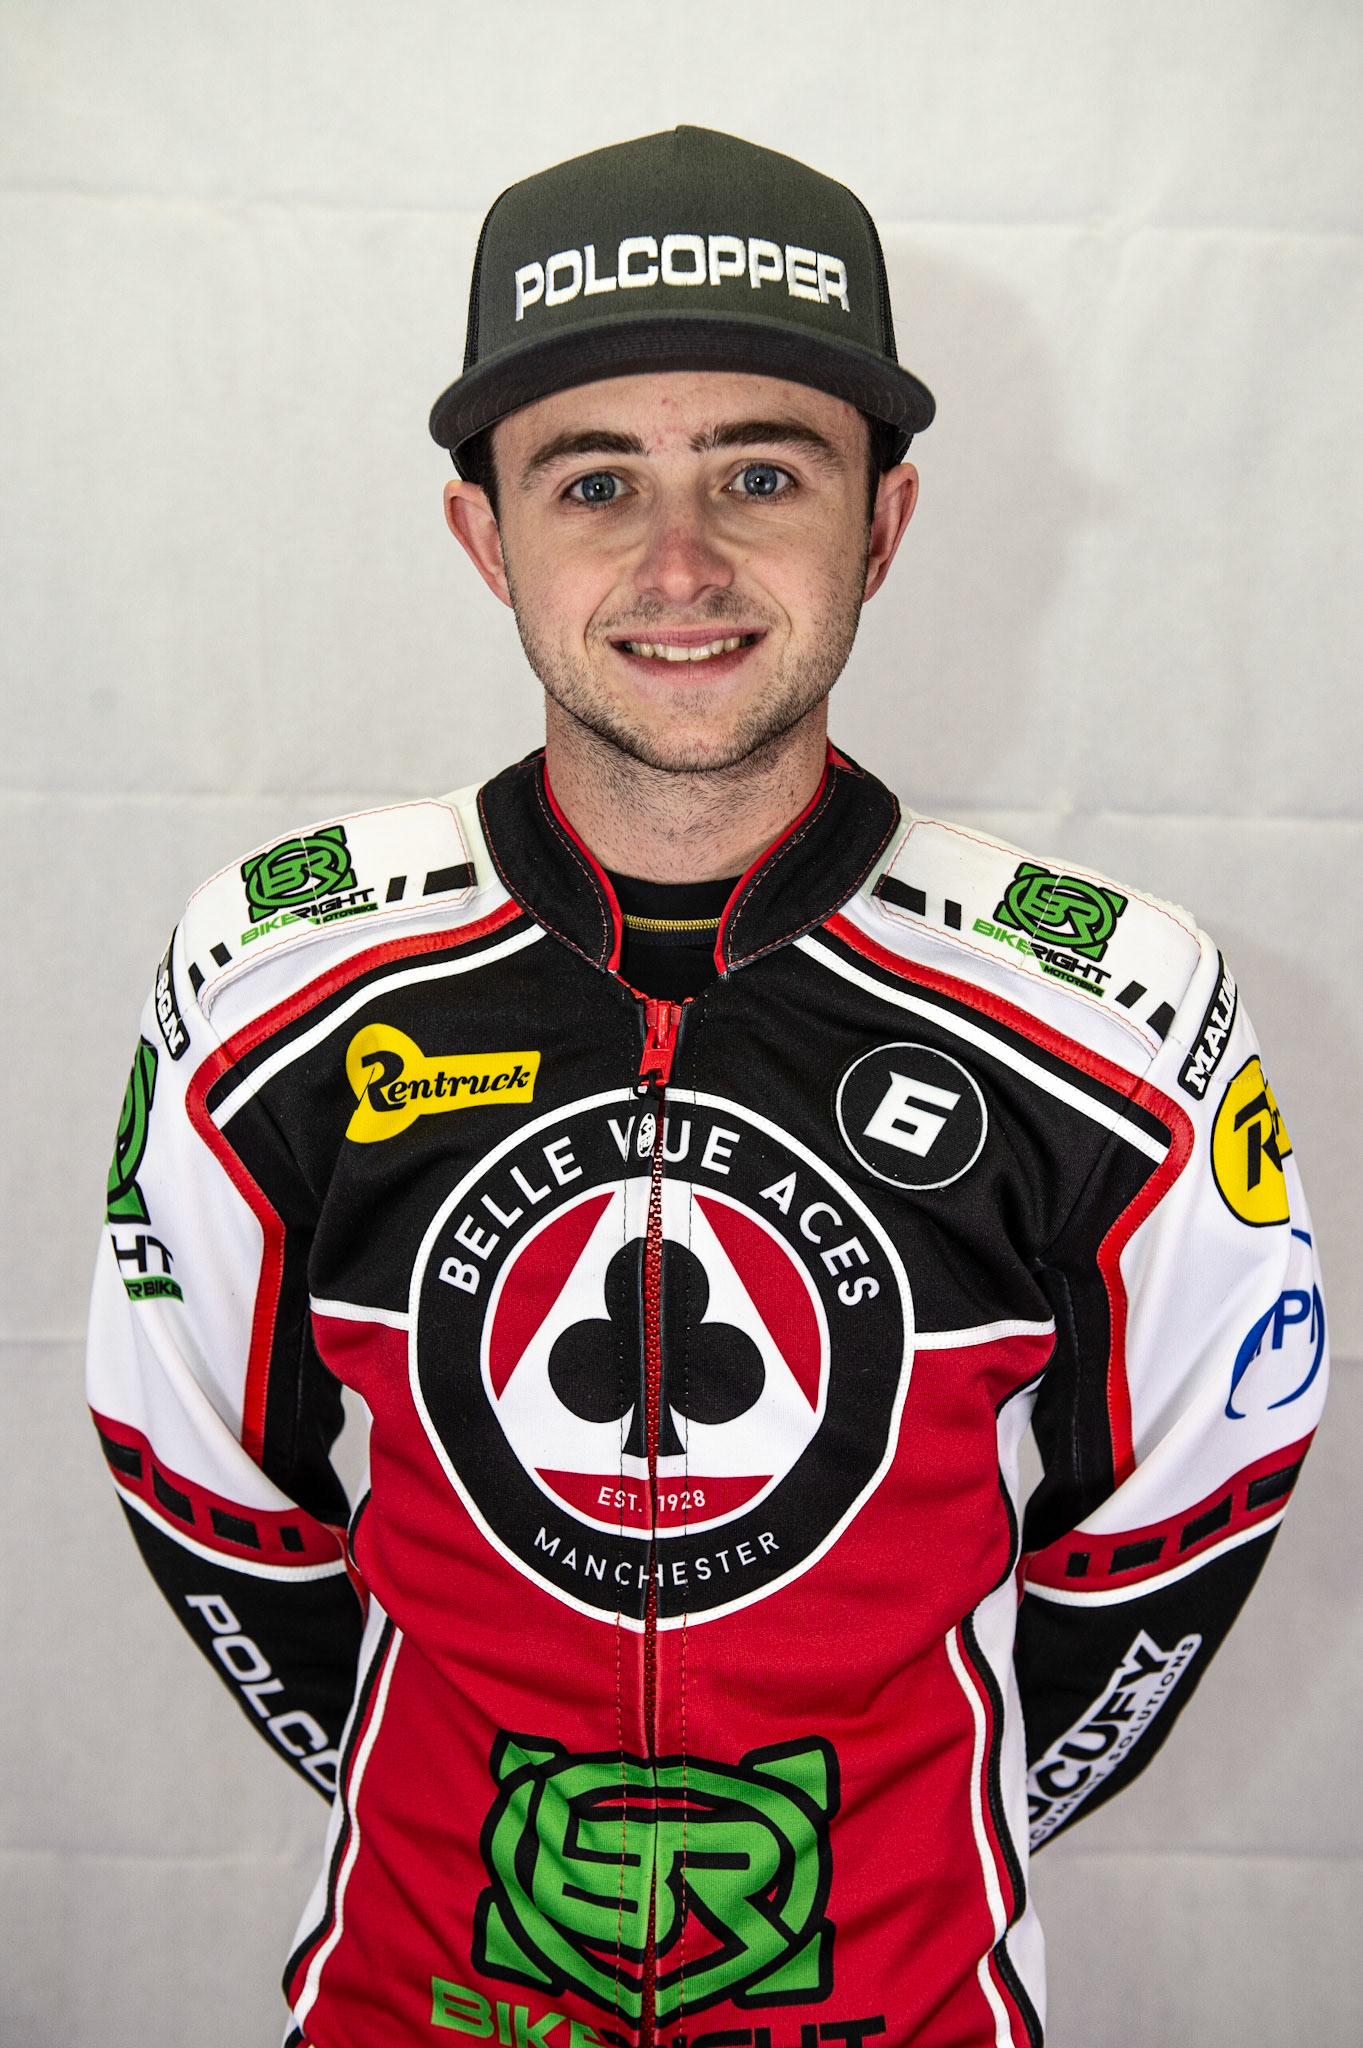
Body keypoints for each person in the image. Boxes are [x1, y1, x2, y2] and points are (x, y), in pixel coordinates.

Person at [86, 127, 1327, 2048]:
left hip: (911, 2009)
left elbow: (1202, 1494)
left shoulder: (1115, 1012)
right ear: (485, 536)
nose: (681, 566)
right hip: (418, 1997)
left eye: (763, 472)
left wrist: (933, 1830)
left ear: (883, 526)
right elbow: (193, 1470)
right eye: (596, 482)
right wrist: (434, 1789)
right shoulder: (271, 977)